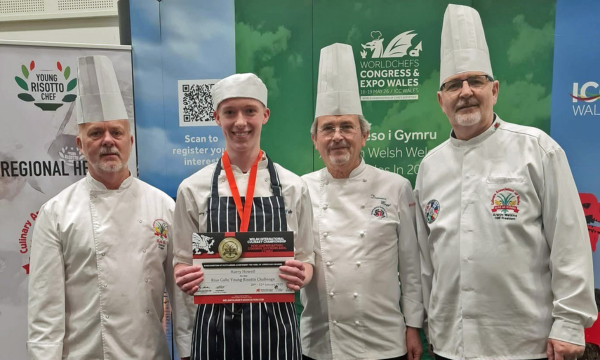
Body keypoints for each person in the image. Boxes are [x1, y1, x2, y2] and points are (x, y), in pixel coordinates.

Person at [415, 4, 597, 360]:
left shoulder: (537, 148)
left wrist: (571, 323)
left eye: (476, 81)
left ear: (494, 90)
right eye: (453, 85)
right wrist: (430, 326)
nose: (465, 91)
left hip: (526, 344)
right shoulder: (429, 166)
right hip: (451, 344)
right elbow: (427, 260)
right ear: (441, 101)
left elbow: (570, 240)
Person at [27, 55, 194, 360]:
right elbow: (45, 307)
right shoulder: (56, 214)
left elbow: (181, 292)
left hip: (149, 353)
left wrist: (186, 349)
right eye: (95, 133)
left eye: (116, 132)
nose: (108, 141)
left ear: (130, 140)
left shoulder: (163, 205)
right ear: (79, 144)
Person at [172, 73, 315, 360]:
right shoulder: (192, 188)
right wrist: (183, 277)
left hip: (277, 332)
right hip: (214, 333)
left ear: (265, 115)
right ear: (216, 117)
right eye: (230, 112)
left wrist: (303, 274)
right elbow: (181, 262)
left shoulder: (293, 186)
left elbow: (307, 258)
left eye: (249, 111)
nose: (240, 122)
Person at [300, 43, 424, 360]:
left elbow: (411, 266)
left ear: (364, 135)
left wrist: (413, 325)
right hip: (319, 342)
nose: (337, 136)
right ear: (315, 140)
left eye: (347, 127)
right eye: (327, 128)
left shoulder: (396, 187)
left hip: (384, 340)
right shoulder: (299, 190)